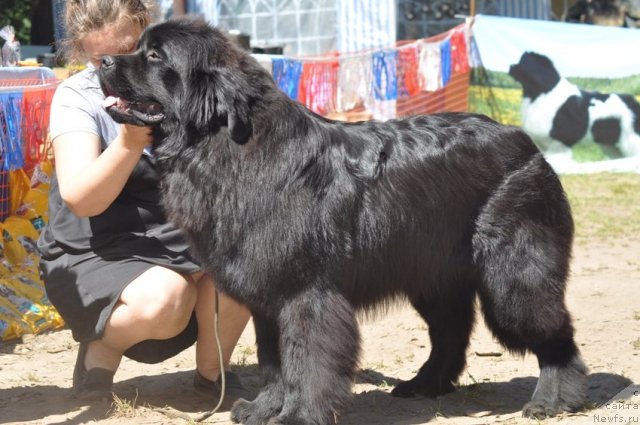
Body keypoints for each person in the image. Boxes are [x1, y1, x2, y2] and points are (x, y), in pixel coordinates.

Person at [36, 0, 253, 404]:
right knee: (165, 300)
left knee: (243, 262)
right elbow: (83, 201)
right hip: (97, 246)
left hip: (174, 233)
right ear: (84, 53)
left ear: (149, 31)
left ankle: (213, 375)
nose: (118, 66)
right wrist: (130, 141)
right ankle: (99, 349)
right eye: (103, 58)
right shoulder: (76, 97)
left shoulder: (189, 81)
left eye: (132, 48)